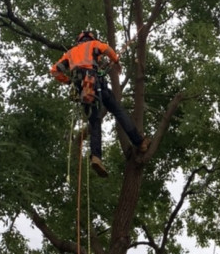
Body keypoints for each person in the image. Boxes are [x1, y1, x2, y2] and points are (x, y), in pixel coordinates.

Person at [50, 30, 149, 177]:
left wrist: (69, 81)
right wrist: (116, 61)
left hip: (83, 91)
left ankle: (96, 157)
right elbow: (107, 49)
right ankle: (139, 142)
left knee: (94, 122)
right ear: (90, 39)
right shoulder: (93, 45)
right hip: (96, 84)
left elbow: (54, 71)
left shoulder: (69, 54)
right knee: (118, 111)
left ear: (79, 40)